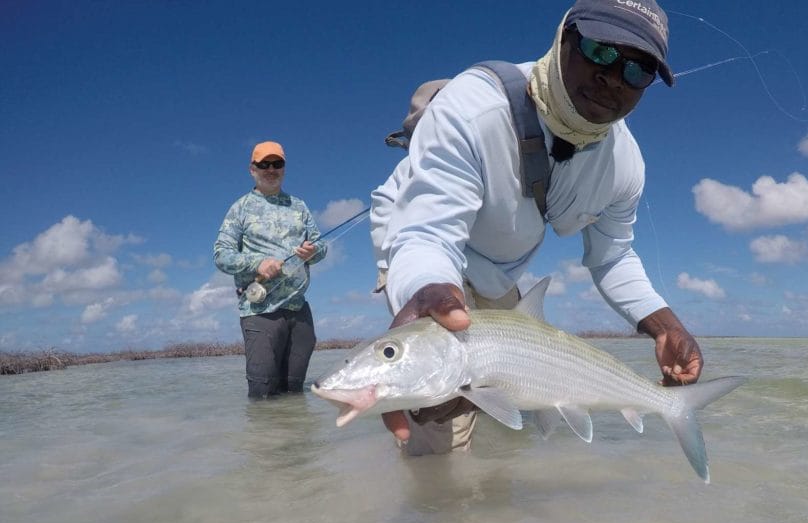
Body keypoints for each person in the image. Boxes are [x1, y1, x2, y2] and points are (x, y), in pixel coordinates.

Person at [370, 0, 703, 453]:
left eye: (638, 70)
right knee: (438, 417)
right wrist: (428, 288)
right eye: (600, 50)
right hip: (424, 253)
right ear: (563, 37)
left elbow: (613, 255)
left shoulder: (625, 165)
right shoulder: (472, 106)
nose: (612, 76)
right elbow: (428, 234)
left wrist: (665, 326)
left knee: (510, 416)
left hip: (499, 267)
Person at [214, 141, 327, 398]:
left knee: (294, 392)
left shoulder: (299, 206)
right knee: (262, 393)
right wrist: (258, 263)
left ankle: (295, 439)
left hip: (299, 310)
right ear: (252, 169)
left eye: (277, 163)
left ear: (284, 168)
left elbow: (321, 247)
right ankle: (263, 438)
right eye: (264, 164)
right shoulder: (240, 208)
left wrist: (314, 252)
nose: (271, 169)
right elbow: (221, 256)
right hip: (260, 310)